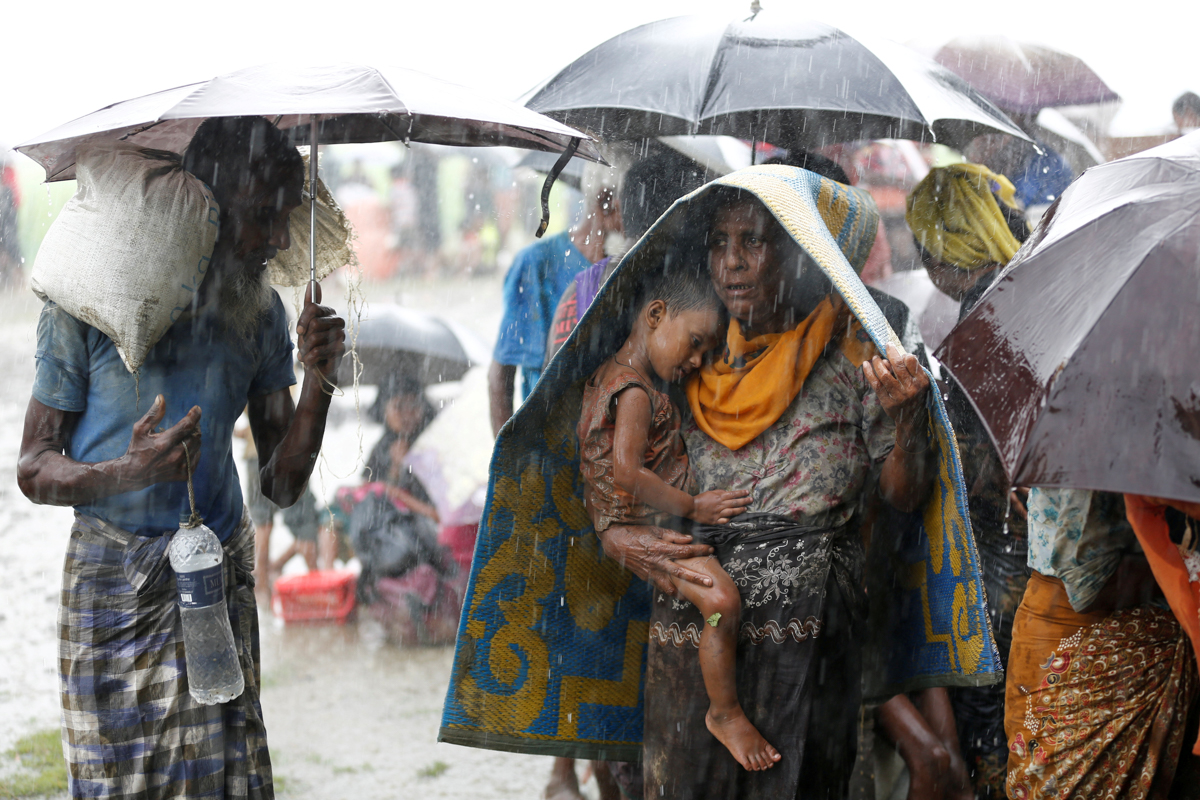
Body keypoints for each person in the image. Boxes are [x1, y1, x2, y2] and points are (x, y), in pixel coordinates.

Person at [16, 116, 346, 799]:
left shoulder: (257, 310)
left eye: (286, 218)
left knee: (224, 783)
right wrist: (125, 472)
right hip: (114, 582)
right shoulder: (93, 296)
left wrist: (319, 382)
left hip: (214, 576)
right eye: (263, 218)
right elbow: (34, 467)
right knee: (117, 783)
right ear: (206, 204)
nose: (280, 240)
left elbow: (283, 485)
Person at [597, 178, 936, 799]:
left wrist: (910, 423)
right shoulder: (683, 351)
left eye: (753, 241)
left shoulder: (856, 347)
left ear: (799, 251)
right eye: (719, 243)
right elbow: (603, 460)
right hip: (695, 630)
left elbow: (903, 495)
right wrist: (620, 538)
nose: (731, 262)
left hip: (806, 637)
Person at [578, 262, 774, 769]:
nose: (695, 359)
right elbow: (625, 473)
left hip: (630, 527)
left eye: (705, 352)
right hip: (640, 529)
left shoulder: (607, 375)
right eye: (693, 342)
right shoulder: (637, 394)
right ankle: (724, 711)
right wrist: (691, 506)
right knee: (723, 602)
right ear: (656, 315)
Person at [904, 162, 1031, 796]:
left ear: (942, 253)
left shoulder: (985, 327)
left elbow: (981, 471)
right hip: (1030, 560)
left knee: (991, 725)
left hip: (998, 564)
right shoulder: (1029, 293)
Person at [1004, 489, 1200, 798]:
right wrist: (1186, 568)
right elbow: (1086, 586)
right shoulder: (1109, 456)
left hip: (1144, 658)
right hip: (1087, 653)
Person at [489, 181, 623, 435]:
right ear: (606, 205)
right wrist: (508, 465)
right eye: (637, 211)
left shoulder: (631, 269)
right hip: (549, 444)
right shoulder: (536, 264)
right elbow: (500, 375)